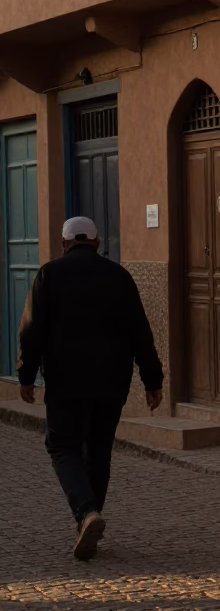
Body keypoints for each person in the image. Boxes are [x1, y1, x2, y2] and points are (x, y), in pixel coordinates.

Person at [17, 216, 164, 560]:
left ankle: (86, 513)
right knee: (98, 451)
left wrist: (26, 376)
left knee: (63, 447)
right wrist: (153, 381)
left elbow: (31, 331)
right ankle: (89, 520)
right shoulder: (120, 277)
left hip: (66, 381)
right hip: (112, 382)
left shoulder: (49, 275)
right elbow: (140, 333)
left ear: (64, 243)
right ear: (97, 243)